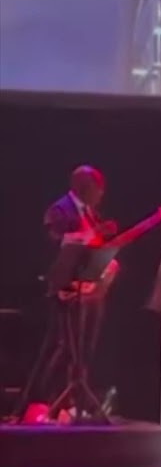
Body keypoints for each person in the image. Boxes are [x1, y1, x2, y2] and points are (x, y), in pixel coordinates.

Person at [14, 166, 117, 420]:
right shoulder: (59, 210)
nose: (102, 194)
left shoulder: (91, 213)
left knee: (83, 350)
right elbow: (55, 245)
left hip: (90, 292)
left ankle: (70, 403)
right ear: (84, 186)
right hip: (65, 293)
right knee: (62, 348)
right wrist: (94, 234)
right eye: (98, 188)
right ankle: (40, 402)